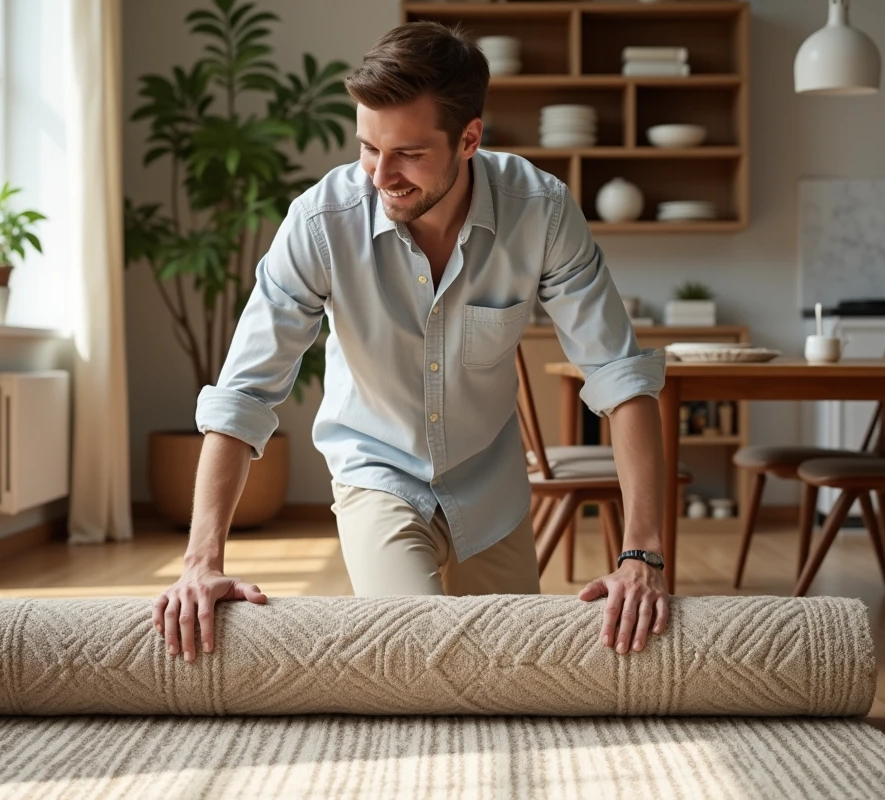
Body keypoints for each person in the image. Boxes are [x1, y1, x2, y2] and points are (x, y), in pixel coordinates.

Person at [153, 21, 670, 664]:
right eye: (369, 147)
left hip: (492, 487)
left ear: (469, 139)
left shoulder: (540, 212)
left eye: (408, 154)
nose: (380, 175)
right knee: (417, 655)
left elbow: (621, 376)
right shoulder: (320, 224)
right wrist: (201, 562)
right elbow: (244, 393)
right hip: (378, 471)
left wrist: (641, 554)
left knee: (517, 671)